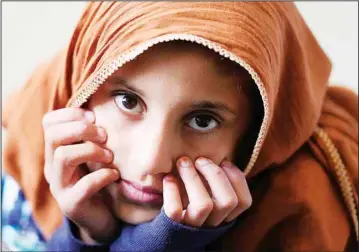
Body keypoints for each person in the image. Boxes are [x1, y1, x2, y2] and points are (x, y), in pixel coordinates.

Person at [2, 2, 358, 251]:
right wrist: (87, 233)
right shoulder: (27, 147)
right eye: (128, 101)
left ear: (255, 137)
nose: (151, 161)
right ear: (84, 87)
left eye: (202, 120)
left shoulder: (305, 209)